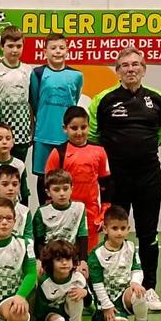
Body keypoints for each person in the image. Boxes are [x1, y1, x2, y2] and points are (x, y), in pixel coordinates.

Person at [89, 46, 161, 311]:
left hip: (149, 176)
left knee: (148, 234)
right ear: (117, 71)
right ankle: (110, 289)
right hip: (116, 179)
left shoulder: (158, 99)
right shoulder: (104, 99)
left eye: (136, 64)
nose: (131, 69)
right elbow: (93, 135)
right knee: (113, 233)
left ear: (143, 69)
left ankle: (149, 288)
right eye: (125, 65)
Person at [87, 206, 160, 321]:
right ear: (105, 229)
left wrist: (135, 283)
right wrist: (107, 306)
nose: (119, 232)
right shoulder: (96, 254)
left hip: (124, 297)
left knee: (139, 291)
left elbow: (137, 269)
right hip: (106, 301)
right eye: (114, 228)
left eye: (123, 228)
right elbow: (97, 285)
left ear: (128, 229)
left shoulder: (130, 247)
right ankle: (101, 318)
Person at [45, 106, 111, 251]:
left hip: (91, 212)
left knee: (88, 254)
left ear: (89, 126)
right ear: (65, 128)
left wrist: (105, 209)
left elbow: (105, 182)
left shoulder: (99, 151)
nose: (79, 132)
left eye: (83, 127)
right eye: (74, 128)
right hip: (64, 212)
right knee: (64, 252)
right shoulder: (58, 153)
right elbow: (47, 184)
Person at [30, 33, 83, 203]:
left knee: (67, 176)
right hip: (44, 134)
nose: (57, 51)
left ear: (67, 50)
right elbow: (35, 102)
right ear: (45, 51)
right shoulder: (38, 73)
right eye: (53, 48)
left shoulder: (76, 75)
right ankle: (44, 212)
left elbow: (74, 101)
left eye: (61, 48)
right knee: (43, 176)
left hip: (65, 137)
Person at [0, 26, 33, 163]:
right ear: (2, 46)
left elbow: (32, 102)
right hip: (0, 133)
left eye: (18, 46)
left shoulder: (28, 71)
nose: (14, 50)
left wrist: (31, 130)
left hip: (21, 132)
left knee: (18, 170)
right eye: (10, 46)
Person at [33, 239, 88, 321]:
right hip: (52, 314)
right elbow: (40, 308)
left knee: (76, 293)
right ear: (50, 262)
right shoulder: (45, 282)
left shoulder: (78, 278)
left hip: (69, 313)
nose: (64, 263)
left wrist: (85, 293)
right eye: (59, 259)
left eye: (68, 259)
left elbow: (89, 301)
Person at [33, 169, 89, 270]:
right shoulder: (42, 211)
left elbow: (83, 236)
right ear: (48, 192)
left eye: (65, 188)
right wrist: (41, 260)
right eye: (56, 190)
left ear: (71, 189)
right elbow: (39, 241)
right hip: (50, 257)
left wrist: (83, 260)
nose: (62, 193)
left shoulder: (80, 208)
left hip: (71, 256)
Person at [0, 164, 32, 248]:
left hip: (19, 254)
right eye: (5, 184)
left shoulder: (25, 211)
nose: (10, 188)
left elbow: (29, 238)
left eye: (14, 184)